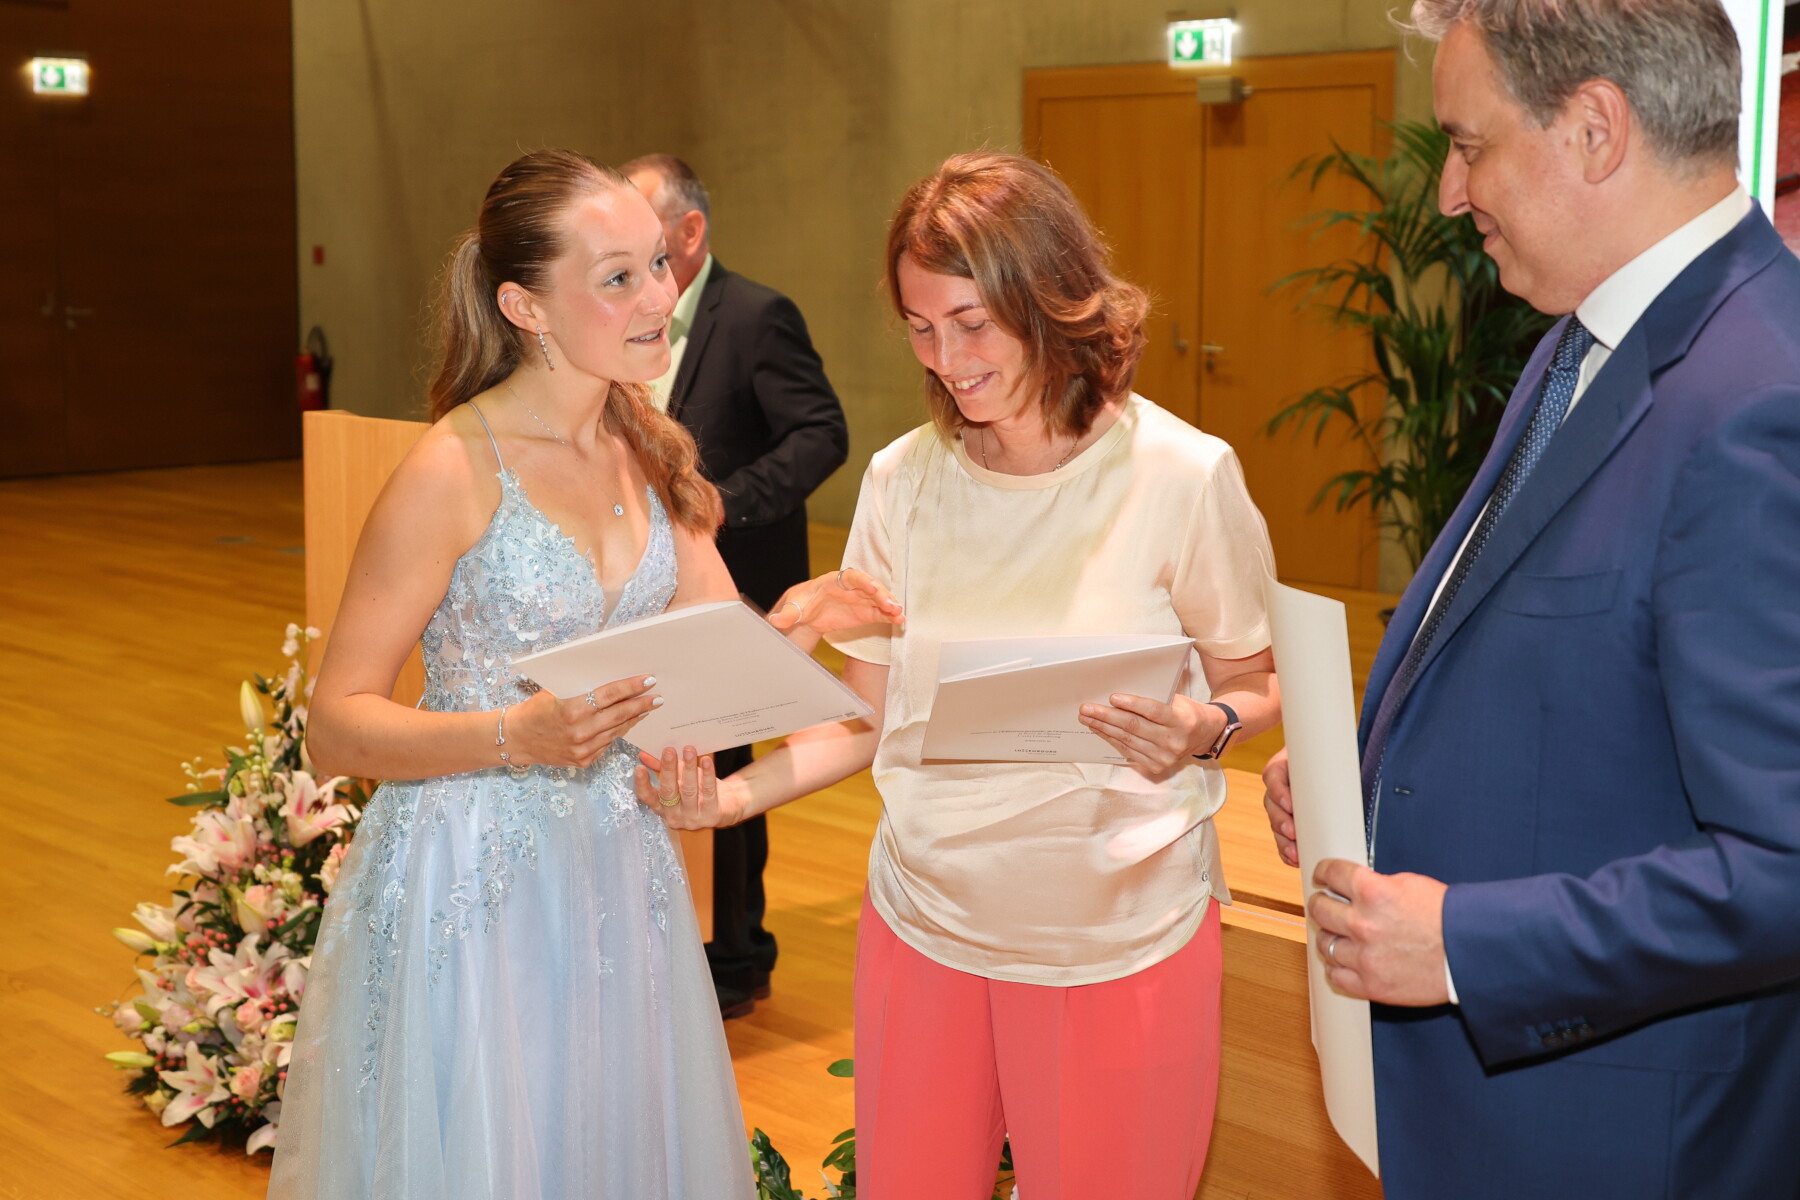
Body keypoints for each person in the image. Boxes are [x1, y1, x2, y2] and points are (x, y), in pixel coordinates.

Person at [637, 151, 1281, 1200]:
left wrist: (1205, 726)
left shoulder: (1181, 474)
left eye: (973, 323)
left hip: (1114, 938)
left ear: (1051, 298)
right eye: (921, 328)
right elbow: (864, 720)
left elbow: (1256, 679)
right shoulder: (902, 481)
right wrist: (730, 797)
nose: (947, 360)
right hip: (925, 926)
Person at [267, 149, 897, 1200]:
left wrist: (803, 619)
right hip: (471, 871)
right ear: (525, 307)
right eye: (619, 278)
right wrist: (515, 736)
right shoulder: (451, 469)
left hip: (616, 864)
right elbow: (334, 727)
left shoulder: (650, 448)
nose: (660, 296)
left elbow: (713, 655)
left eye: (659, 265)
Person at [1260, 3, 1800, 1195]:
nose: (1450, 193)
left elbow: (1784, 861)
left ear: (1595, 129)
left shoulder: (1761, 400)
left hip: (1618, 1142)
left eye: (1470, 144)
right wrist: (1366, 783)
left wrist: (1465, 944)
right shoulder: (1588, 338)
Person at [623, 153, 850, 1018]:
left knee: (726, 763)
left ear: (690, 231)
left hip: (741, 579)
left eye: (646, 233)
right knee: (668, 760)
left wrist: (727, 501)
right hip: (646, 582)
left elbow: (821, 432)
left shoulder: (756, 315)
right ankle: (676, 941)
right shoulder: (622, 324)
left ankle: (737, 953)